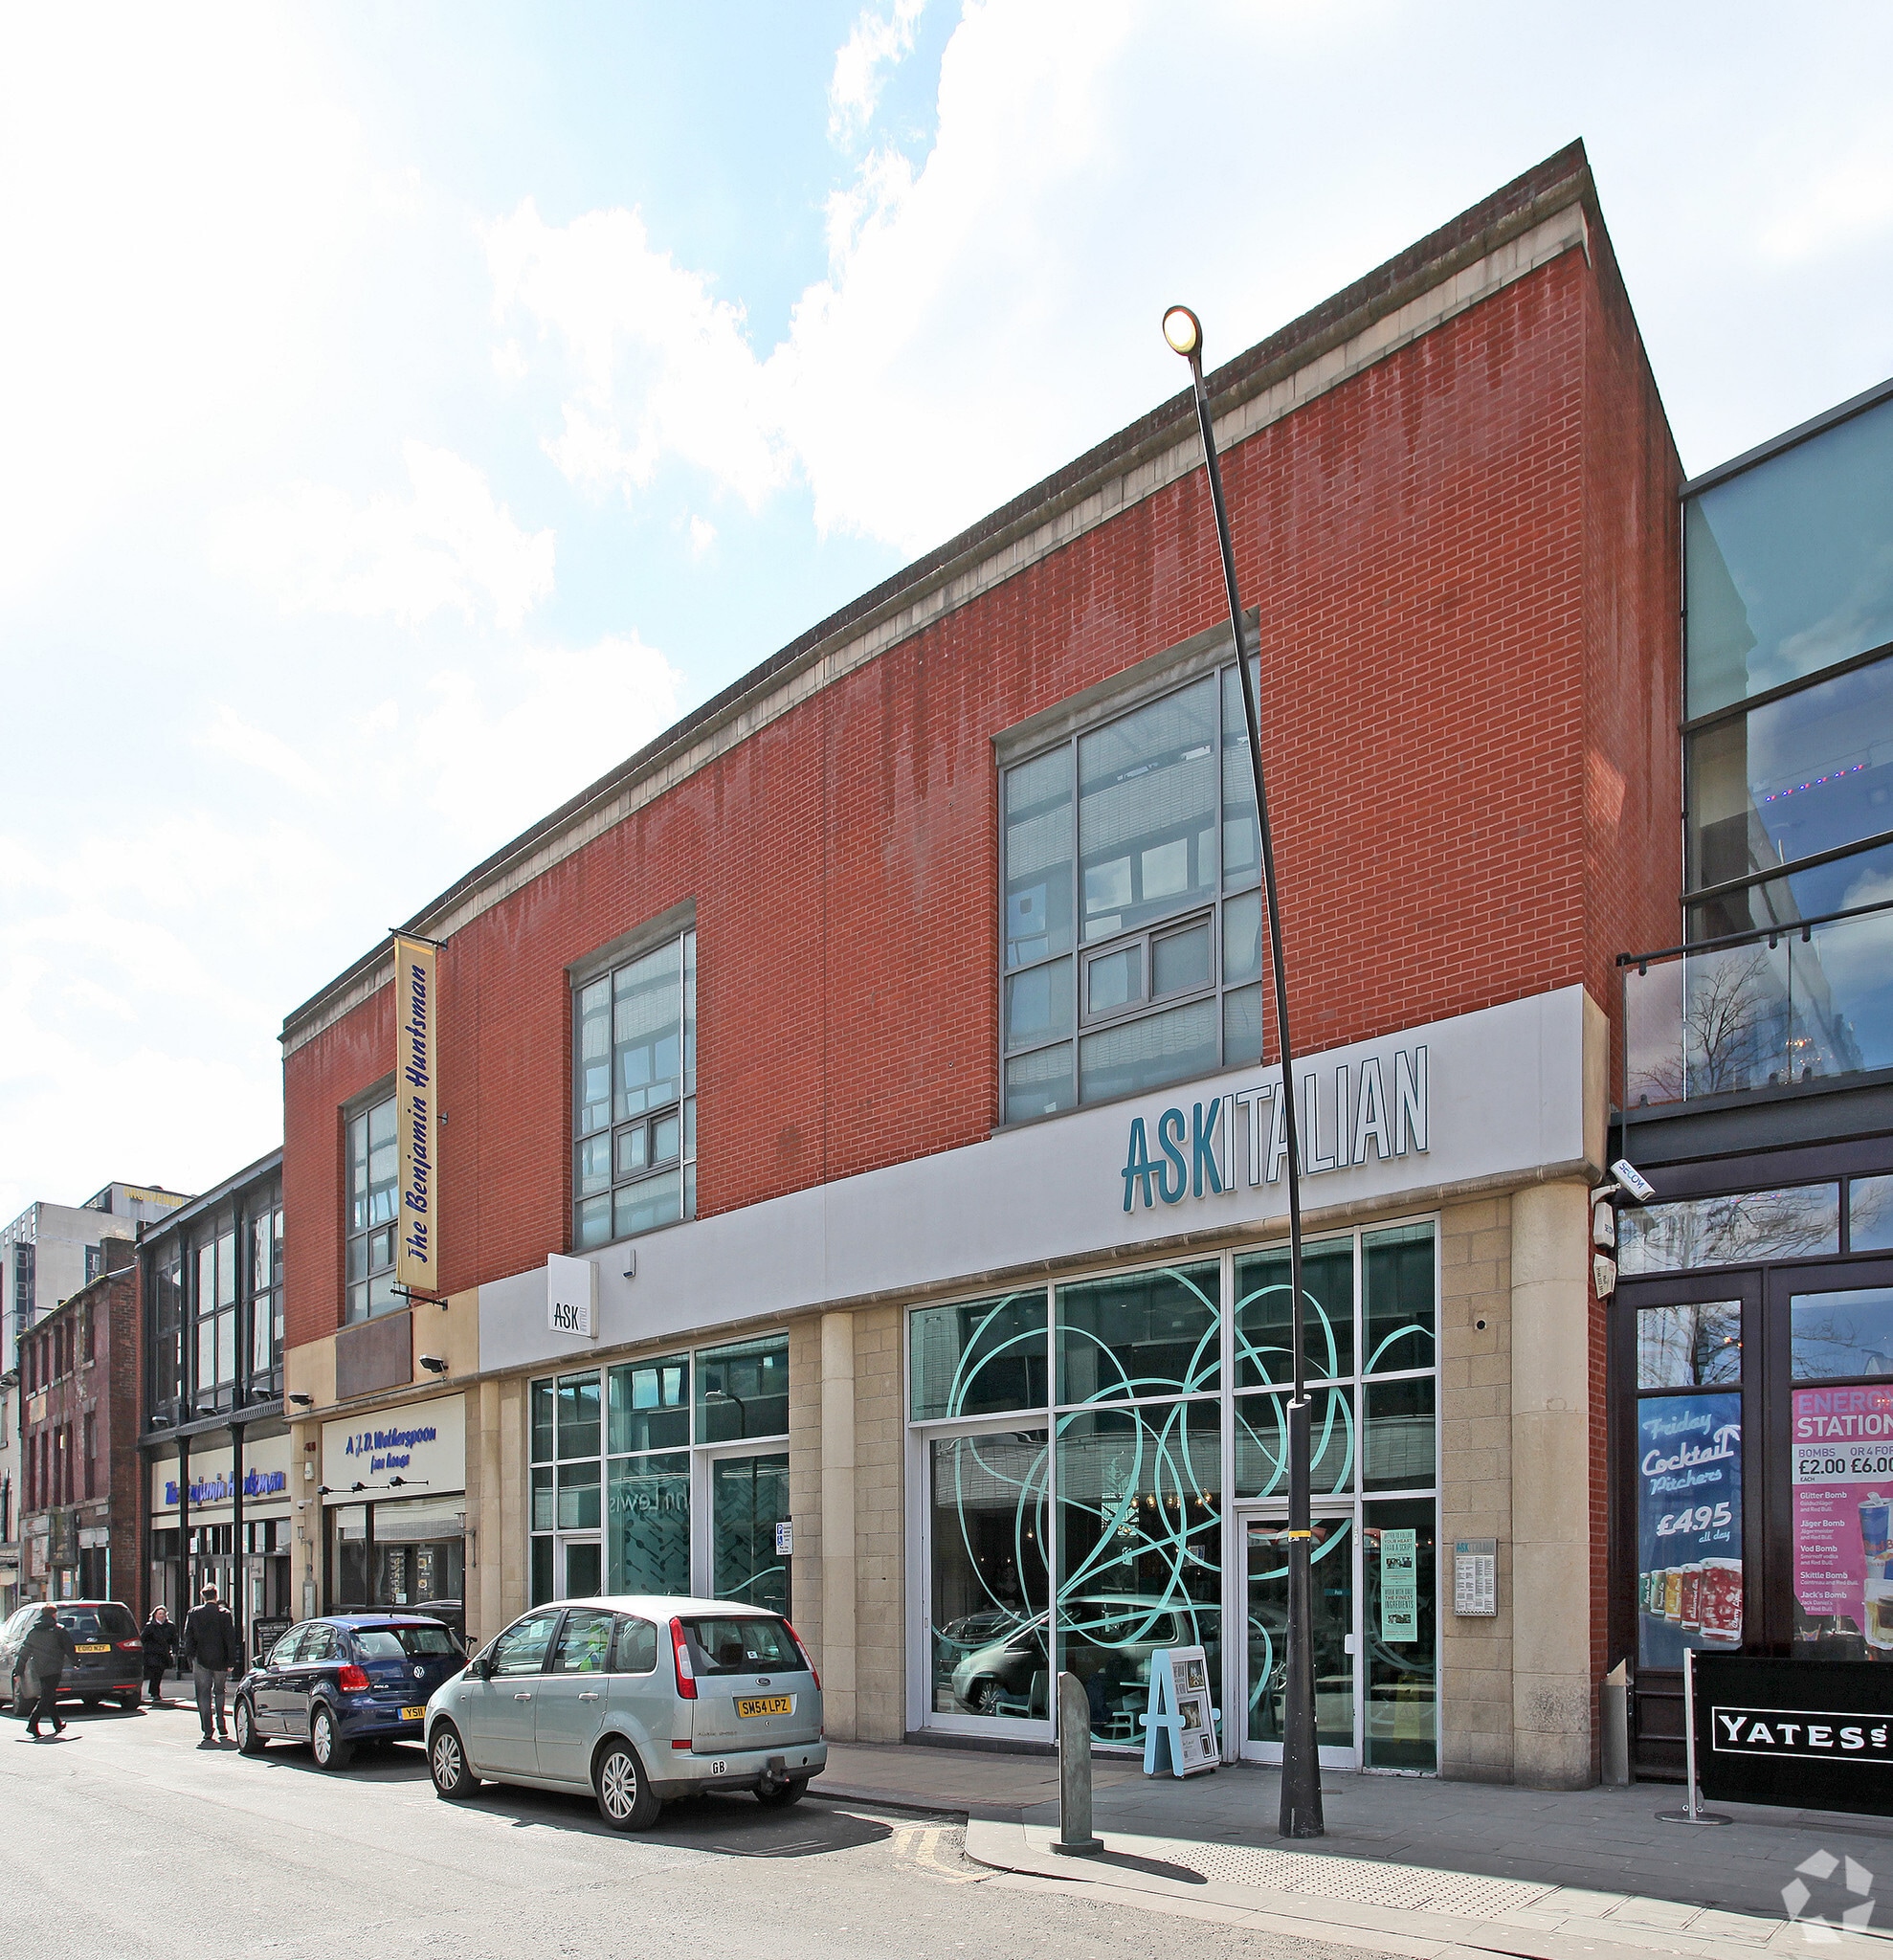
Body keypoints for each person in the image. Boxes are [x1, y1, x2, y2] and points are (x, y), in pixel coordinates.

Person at [180, 1584, 242, 1745]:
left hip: (200, 1660)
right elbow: (230, 1638)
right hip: (220, 1660)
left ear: (203, 1597)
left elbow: (189, 1637)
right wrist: (231, 1661)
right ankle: (221, 1723)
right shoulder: (224, 1614)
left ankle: (208, 1729)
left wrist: (190, 1657)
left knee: (203, 1694)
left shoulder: (194, 1613)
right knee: (220, 1691)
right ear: (216, 1596)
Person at [19, 1603, 76, 1740]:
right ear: (53, 1615)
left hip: (40, 1668)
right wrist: (76, 1661)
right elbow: (69, 1647)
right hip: (54, 1668)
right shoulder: (58, 1630)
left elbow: (24, 1651)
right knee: (47, 1696)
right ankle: (32, 1723)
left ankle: (57, 1724)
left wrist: (19, 1668)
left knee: (49, 1695)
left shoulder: (33, 1631)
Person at [142, 1605, 180, 1704]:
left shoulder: (170, 1626)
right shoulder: (150, 1626)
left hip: (163, 1653)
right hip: (152, 1654)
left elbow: (174, 1640)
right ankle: (155, 1693)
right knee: (155, 1672)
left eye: (163, 1614)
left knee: (159, 1673)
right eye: (159, 1614)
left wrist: (175, 1651)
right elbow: (143, 1638)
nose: (161, 1616)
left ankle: (153, 1691)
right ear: (155, 1615)